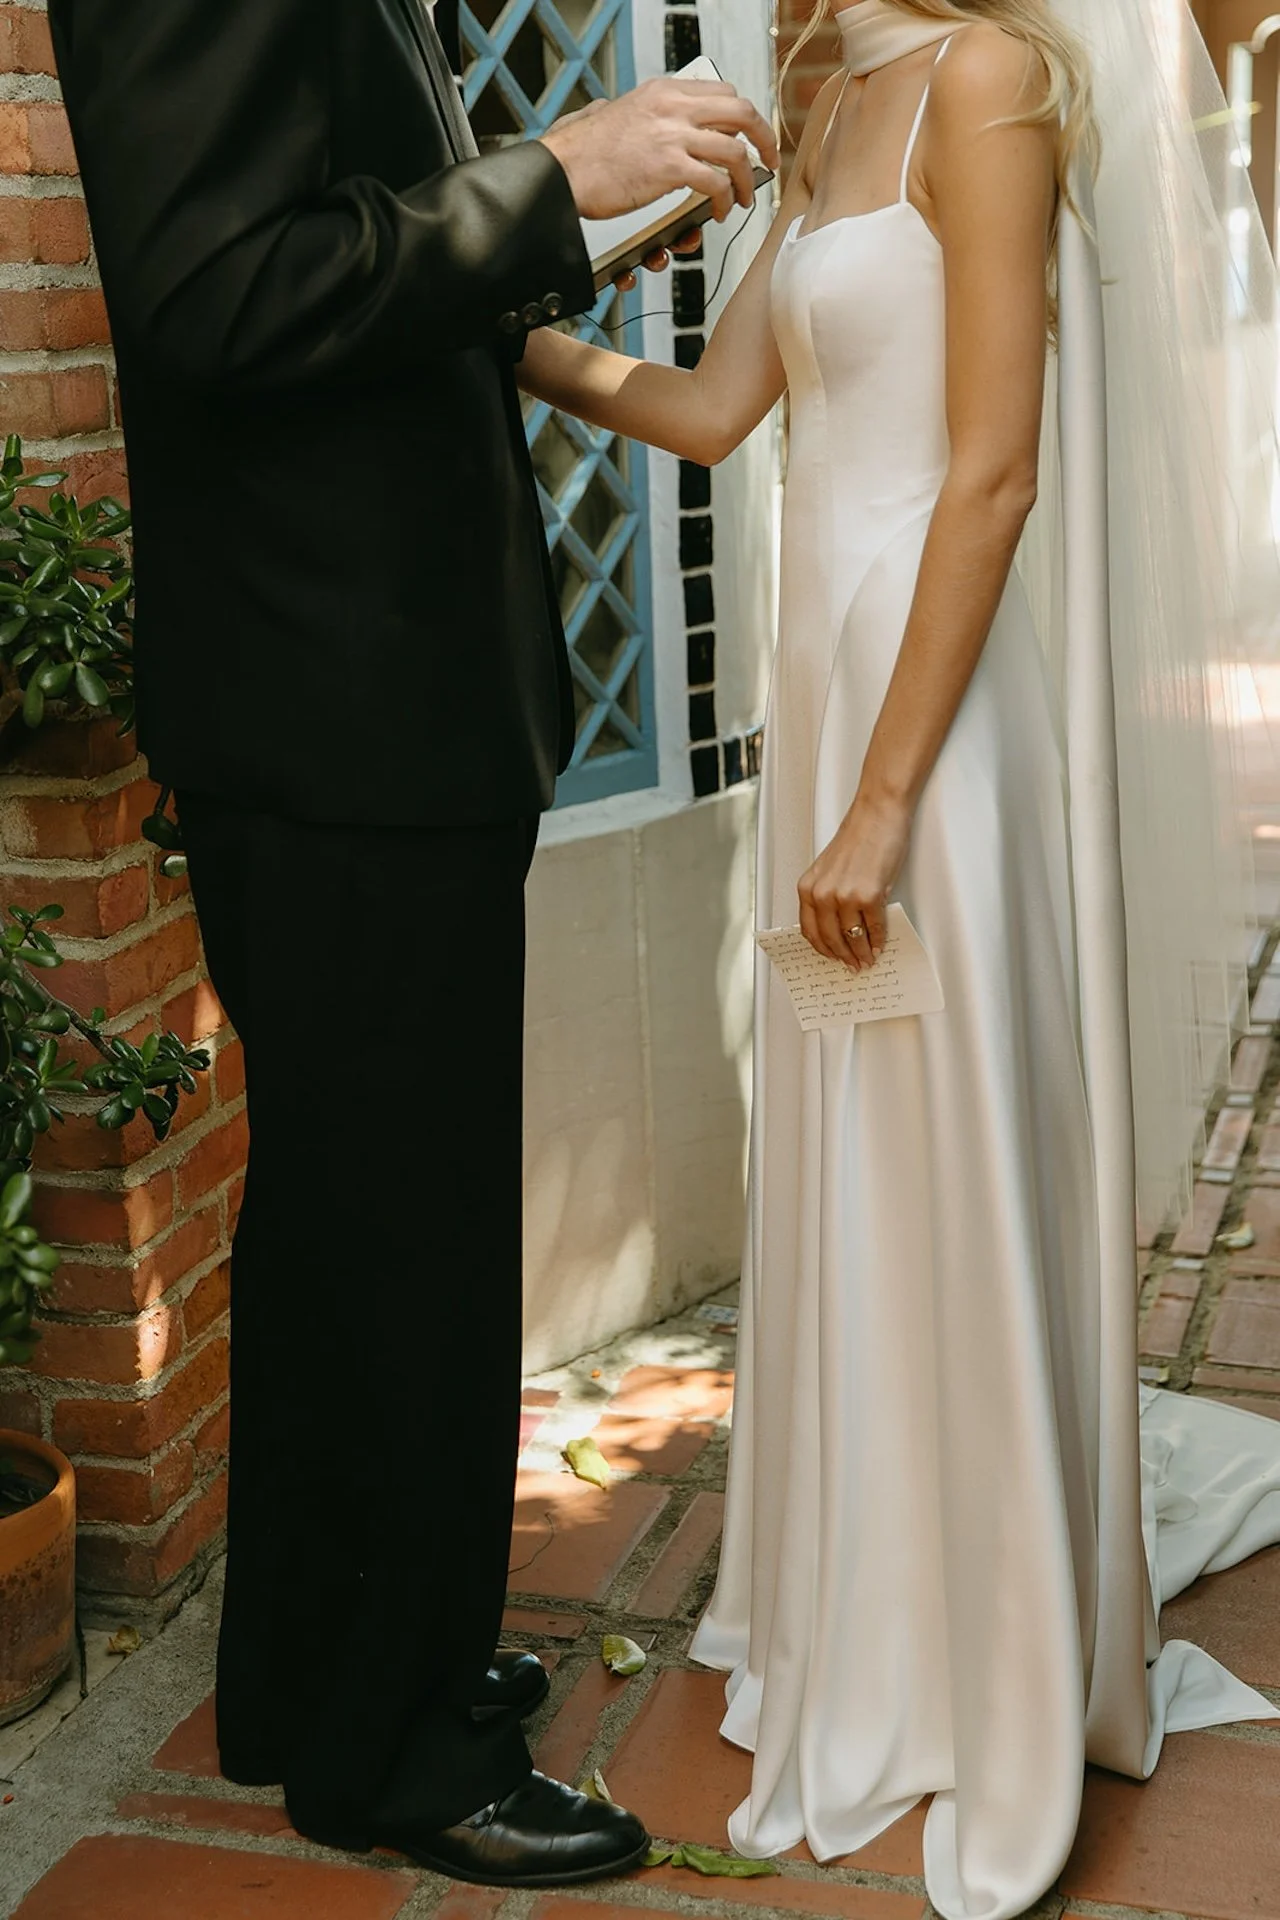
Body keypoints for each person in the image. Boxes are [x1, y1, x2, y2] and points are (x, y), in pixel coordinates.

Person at [515, 1, 1280, 1914]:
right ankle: (883, 1592)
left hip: (936, 735)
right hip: (830, 701)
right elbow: (711, 413)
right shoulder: (834, 93)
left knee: (954, 1145)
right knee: (855, 1142)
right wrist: (499, 333)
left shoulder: (991, 79)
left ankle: (995, 1654)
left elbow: (993, 473)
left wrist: (877, 801)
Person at [44, 0, 778, 1887]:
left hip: (387, 698)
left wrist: (569, 223)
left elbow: (339, 250)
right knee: (409, 1239)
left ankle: (315, 1677)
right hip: (336, 701)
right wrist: (554, 176)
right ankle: (395, 1753)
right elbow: (216, 293)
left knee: (350, 1220)